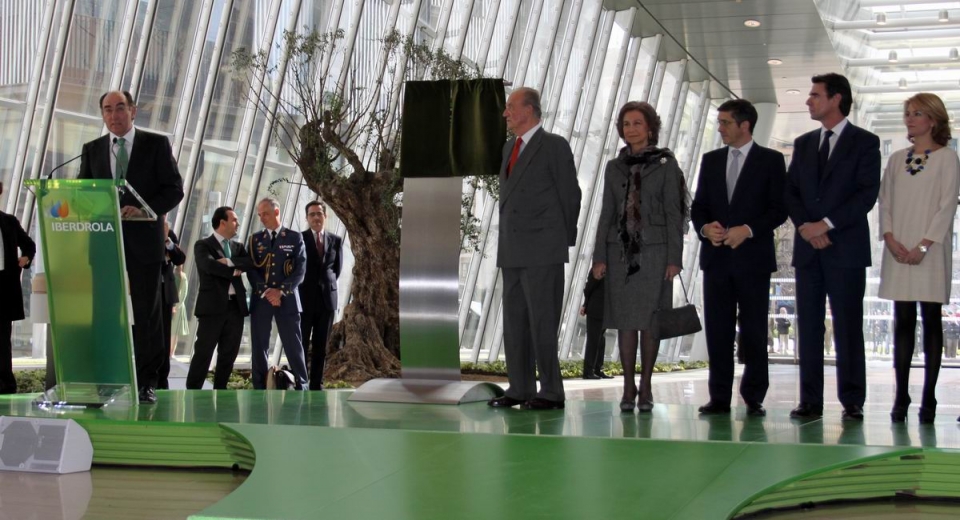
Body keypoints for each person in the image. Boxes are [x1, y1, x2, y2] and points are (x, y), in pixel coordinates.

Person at [78, 90, 185, 404]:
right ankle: (107, 380)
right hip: (105, 241)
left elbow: (174, 189)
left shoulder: (156, 144)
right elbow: (84, 193)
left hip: (144, 244)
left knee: (147, 315)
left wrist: (146, 210)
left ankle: (147, 382)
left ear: (133, 111)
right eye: (108, 110)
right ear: (103, 115)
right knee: (105, 314)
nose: (114, 115)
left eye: (120, 108)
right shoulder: (92, 150)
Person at [785, 73, 881, 421]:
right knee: (808, 325)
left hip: (846, 249)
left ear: (836, 99)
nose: (809, 101)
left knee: (847, 325)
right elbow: (791, 192)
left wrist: (825, 224)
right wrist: (807, 228)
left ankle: (852, 400)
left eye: (815, 95)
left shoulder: (866, 142)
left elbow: (866, 194)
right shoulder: (804, 142)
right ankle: (810, 400)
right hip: (809, 250)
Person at [487, 87, 581, 411]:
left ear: (530, 110)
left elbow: (571, 195)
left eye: (511, 107)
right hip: (512, 251)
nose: (506, 113)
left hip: (543, 251)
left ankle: (552, 391)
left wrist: (561, 240)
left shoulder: (554, 146)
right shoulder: (508, 148)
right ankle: (520, 387)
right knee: (514, 323)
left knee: (543, 322)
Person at [692, 99, 787, 417]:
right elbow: (699, 205)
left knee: (754, 329)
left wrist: (747, 229)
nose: (720, 128)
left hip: (753, 260)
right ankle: (718, 396)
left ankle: (754, 395)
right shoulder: (710, 160)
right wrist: (706, 228)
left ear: (745, 125)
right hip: (716, 259)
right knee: (717, 330)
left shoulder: (771, 161)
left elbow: (778, 209)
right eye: (719, 122)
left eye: (725, 122)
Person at [591, 101, 686, 413]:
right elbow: (606, 212)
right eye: (626, 124)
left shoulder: (666, 165)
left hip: (656, 253)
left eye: (636, 123)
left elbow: (675, 213)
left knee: (650, 321)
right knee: (626, 322)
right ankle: (627, 385)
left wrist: (675, 258)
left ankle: (645, 386)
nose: (630, 129)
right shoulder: (613, 167)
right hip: (619, 253)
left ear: (650, 128)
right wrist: (598, 256)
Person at [877, 92, 960, 424]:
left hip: (931, 251)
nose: (910, 119)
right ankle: (901, 395)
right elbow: (885, 203)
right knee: (902, 324)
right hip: (898, 249)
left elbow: (947, 205)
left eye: (917, 113)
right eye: (908, 113)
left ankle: (929, 396)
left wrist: (924, 245)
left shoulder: (947, 158)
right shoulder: (897, 158)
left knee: (931, 323)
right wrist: (890, 238)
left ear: (933, 120)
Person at [186, 207, 254, 390]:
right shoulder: (203, 245)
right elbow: (208, 266)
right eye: (234, 219)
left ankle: (221, 391)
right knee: (203, 353)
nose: (238, 223)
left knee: (229, 354)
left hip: (235, 308)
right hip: (212, 308)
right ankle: (193, 391)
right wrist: (234, 271)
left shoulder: (237, 247)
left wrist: (229, 262)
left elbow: (249, 263)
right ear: (222, 222)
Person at [248, 197, 308, 390]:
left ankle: (302, 385)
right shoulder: (255, 239)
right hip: (262, 300)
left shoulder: (293, 237)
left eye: (265, 213)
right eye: (259, 215)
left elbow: (300, 269)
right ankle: (259, 386)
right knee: (259, 346)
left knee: (293, 345)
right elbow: (252, 270)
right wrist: (267, 291)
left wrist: (280, 291)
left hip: (287, 299)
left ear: (276, 212)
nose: (262, 218)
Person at [298, 200, 343, 391]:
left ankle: (317, 383)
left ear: (325, 216)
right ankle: (301, 381)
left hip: (327, 301)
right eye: (312, 214)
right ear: (307, 218)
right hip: (305, 300)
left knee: (321, 345)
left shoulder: (336, 240)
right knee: (301, 343)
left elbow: (337, 270)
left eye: (319, 213)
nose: (316, 217)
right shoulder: (299, 239)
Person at [0, 182, 35, 394]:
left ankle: (5, 384)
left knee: (3, 339)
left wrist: (25, 258)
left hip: (3, 286)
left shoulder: (9, 221)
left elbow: (29, 244)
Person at [157, 218, 186, 390]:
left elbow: (180, 257)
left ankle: (162, 379)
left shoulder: (168, 233)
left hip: (165, 292)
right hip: (144, 289)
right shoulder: (137, 231)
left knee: (164, 335)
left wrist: (166, 239)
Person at [579, 270, 611, 379]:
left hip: (604, 310)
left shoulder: (611, 270)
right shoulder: (598, 269)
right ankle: (588, 371)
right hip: (596, 308)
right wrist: (585, 304)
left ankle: (598, 369)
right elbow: (588, 289)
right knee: (593, 340)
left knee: (600, 340)